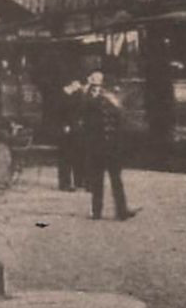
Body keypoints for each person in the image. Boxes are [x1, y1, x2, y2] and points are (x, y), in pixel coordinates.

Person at [78, 70, 134, 221]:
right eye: (94, 79)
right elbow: (83, 110)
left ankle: (121, 211)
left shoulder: (109, 97)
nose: (97, 82)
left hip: (112, 146)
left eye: (99, 79)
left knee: (116, 179)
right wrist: (89, 89)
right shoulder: (86, 97)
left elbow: (119, 117)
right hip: (96, 146)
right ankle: (97, 211)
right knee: (97, 180)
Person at [56, 78, 85, 192]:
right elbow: (57, 113)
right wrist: (64, 125)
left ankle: (79, 181)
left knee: (77, 154)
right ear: (72, 83)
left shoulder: (77, 95)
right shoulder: (60, 96)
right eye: (77, 83)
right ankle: (65, 183)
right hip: (64, 129)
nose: (79, 86)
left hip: (75, 128)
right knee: (65, 156)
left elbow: (79, 110)